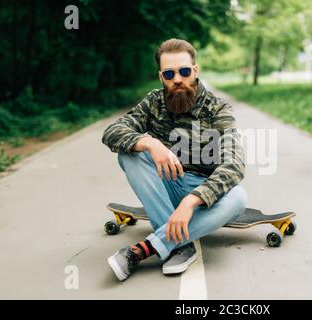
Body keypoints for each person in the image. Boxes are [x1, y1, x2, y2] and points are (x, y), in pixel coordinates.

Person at [102, 38, 247, 281]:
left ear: (195, 71)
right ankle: (180, 245)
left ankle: (147, 248)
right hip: (166, 185)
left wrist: (191, 201)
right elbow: (112, 132)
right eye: (169, 73)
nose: (177, 79)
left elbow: (235, 164)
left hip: (202, 194)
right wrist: (150, 143)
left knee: (239, 197)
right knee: (129, 153)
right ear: (161, 77)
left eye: (184, 71)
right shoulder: (154, 102)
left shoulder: (217, 109)